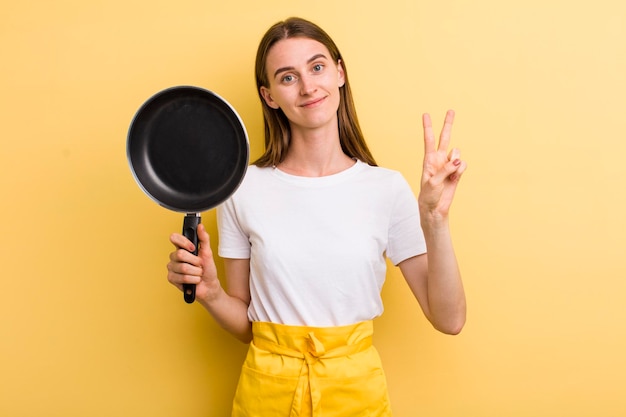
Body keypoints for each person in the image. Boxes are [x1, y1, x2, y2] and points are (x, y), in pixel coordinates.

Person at [167, 16, 467, 417]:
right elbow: (246, 327)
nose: (308, 86)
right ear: (269, 95)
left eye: (317, 66)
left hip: (355, 396)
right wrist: (211, 294)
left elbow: (449, 319)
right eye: (287, 77)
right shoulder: (242, 189)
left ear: (340, 72)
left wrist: (434, 219)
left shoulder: (386, 189)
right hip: (266, 396)